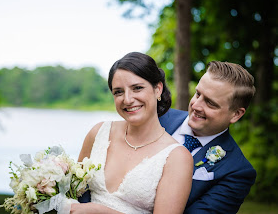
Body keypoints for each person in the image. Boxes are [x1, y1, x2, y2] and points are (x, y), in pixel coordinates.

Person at [72, 52, 193, 213]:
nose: (127, 99)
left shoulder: (177, 157)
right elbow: (72, 191)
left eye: (137, 88)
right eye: (118, 92)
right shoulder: (99, 133)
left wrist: (99, 211)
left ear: (158, 89)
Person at [159, 61, 256, 214]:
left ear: (236, 114)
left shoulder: (237, 172)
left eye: (210, 103)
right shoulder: (157, 118)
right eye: (198, 94)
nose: (196, 105)